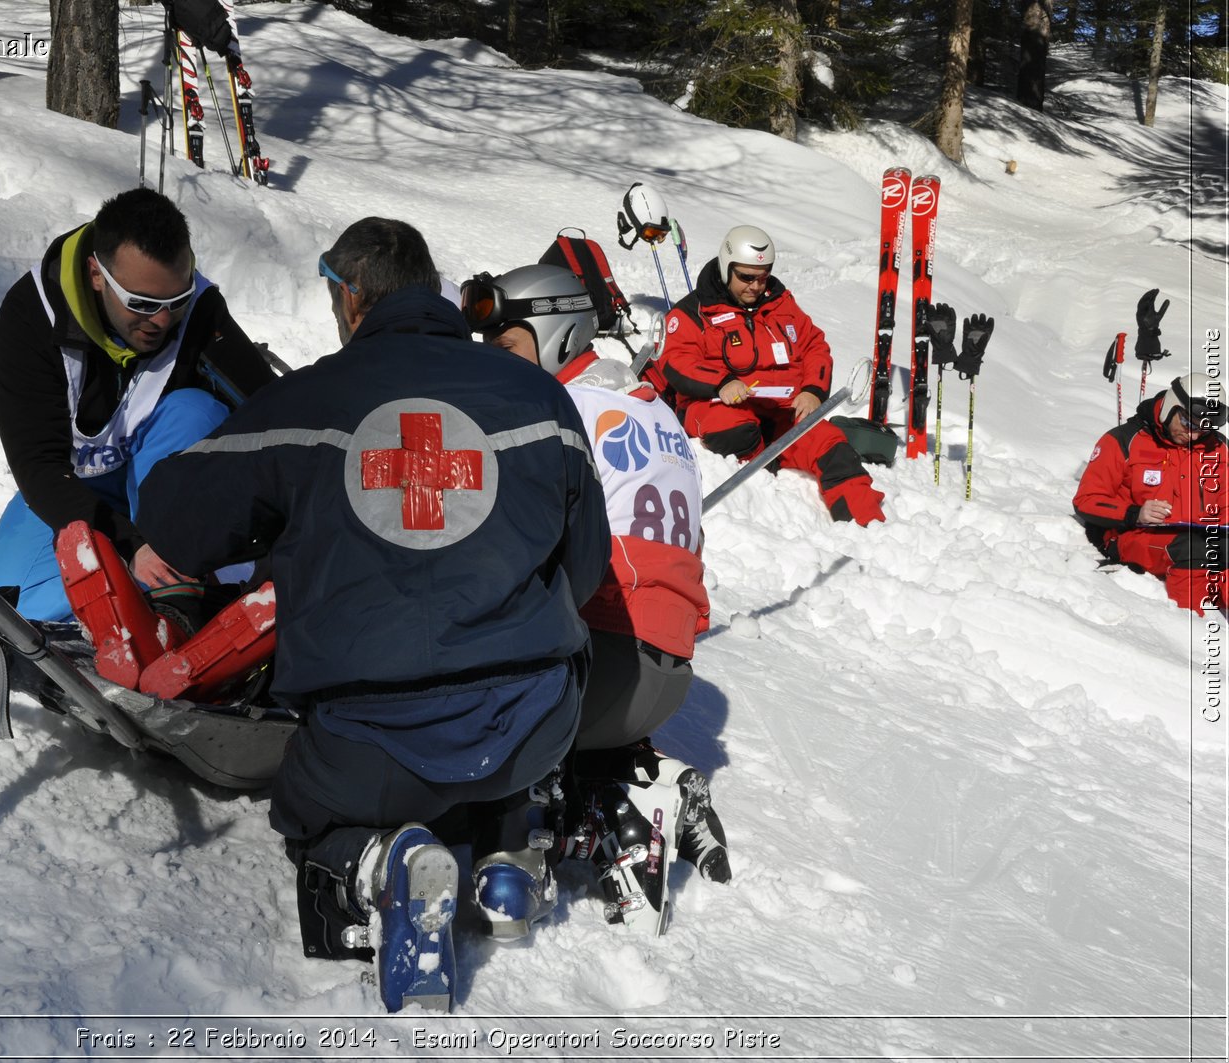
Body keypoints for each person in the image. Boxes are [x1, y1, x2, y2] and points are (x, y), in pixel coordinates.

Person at [128, 218, 610, 1011]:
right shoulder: (539, 397)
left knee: (310, 807)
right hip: (535, 725)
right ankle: (508, 847)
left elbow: (174, 515)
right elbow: (584, 567)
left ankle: (379, 865)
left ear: (352, 300)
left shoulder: (310, 400)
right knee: (500, 729)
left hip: (373, 747)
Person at [464, 263, 730, 938]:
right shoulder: (649, 405)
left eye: (509, 348)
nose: (497, 365)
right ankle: (630, 785)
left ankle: (536, 828)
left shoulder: (558, 411)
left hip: (599, 666)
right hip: (667, 669)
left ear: (557, 333)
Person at [0, 187, 275, 621]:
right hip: (75, 485)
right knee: (14, 609)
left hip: (162, 478)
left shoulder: (198, 308)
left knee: (198, 410)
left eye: (174, 302)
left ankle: (179, 586)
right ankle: (140, 583)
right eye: (142, 303)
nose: (160, 320)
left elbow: (269, 410)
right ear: (97, 274)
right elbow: (38, 466)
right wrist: (127, 545)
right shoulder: (32, 315)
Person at [654, 224, 885, 525]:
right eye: (746, 277)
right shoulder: (694, 312)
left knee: (832, 444)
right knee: (734, 429)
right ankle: (765, 487)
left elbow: (815, 345)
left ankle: (865, 523)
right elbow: (675, 359)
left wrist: (813, 390)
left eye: (763, 277)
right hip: (721, 405)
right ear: (726, 268)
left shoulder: (781, 304)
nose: (756, 286)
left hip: (782, 411)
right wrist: (721, 383)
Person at [1074, 373, 1227, 614]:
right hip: (1135, 535)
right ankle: (1193, 628)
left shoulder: (1217, 447)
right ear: (1171, 407)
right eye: (1189, 424)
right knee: (1193, 549)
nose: (1194, 435)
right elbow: (1087, 500)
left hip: (1197, 533)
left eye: (1204, 429)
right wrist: (1135, 514)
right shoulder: (1124, 439)